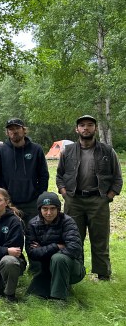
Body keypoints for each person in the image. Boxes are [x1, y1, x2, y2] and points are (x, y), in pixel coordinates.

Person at [56, 114, 122, 280]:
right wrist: (65, 193)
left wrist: (108, 196)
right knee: (73, 237)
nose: (86, 128)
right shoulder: (68, 151)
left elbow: (117, 178)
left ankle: (103, 274)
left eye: (90, 125)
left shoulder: (107, 151)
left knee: (100, 238)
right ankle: (76, 272)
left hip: (98, 200)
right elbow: (59, 176)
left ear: (95, 128)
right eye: (82, 125)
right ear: (77, 129)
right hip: (74, 200)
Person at [26, 192, 85, 300]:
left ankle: (58, 299)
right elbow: (32, 253)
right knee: (34, 296)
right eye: (45, 209)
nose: (49, 213)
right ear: (40, 209)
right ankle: (60, 285)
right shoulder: (33, 224)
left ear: (58, 209)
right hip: (47, 268)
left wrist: (43, 250)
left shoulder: (68, 222)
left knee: (58, 258)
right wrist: (57, 246)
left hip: (73, 268)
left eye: (53, 208)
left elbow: (74, 248)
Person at [0, 118, 49, 225]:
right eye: (11, 129)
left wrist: (40, 195)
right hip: (9, 203)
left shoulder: (36, 149)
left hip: (32, 202)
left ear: (24, 130)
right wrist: (4, 199)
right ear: (7, 132)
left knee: (33, 236)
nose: (14, 131)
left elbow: (43, 175)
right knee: (10, 236)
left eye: (17, 128)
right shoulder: (0, 151)